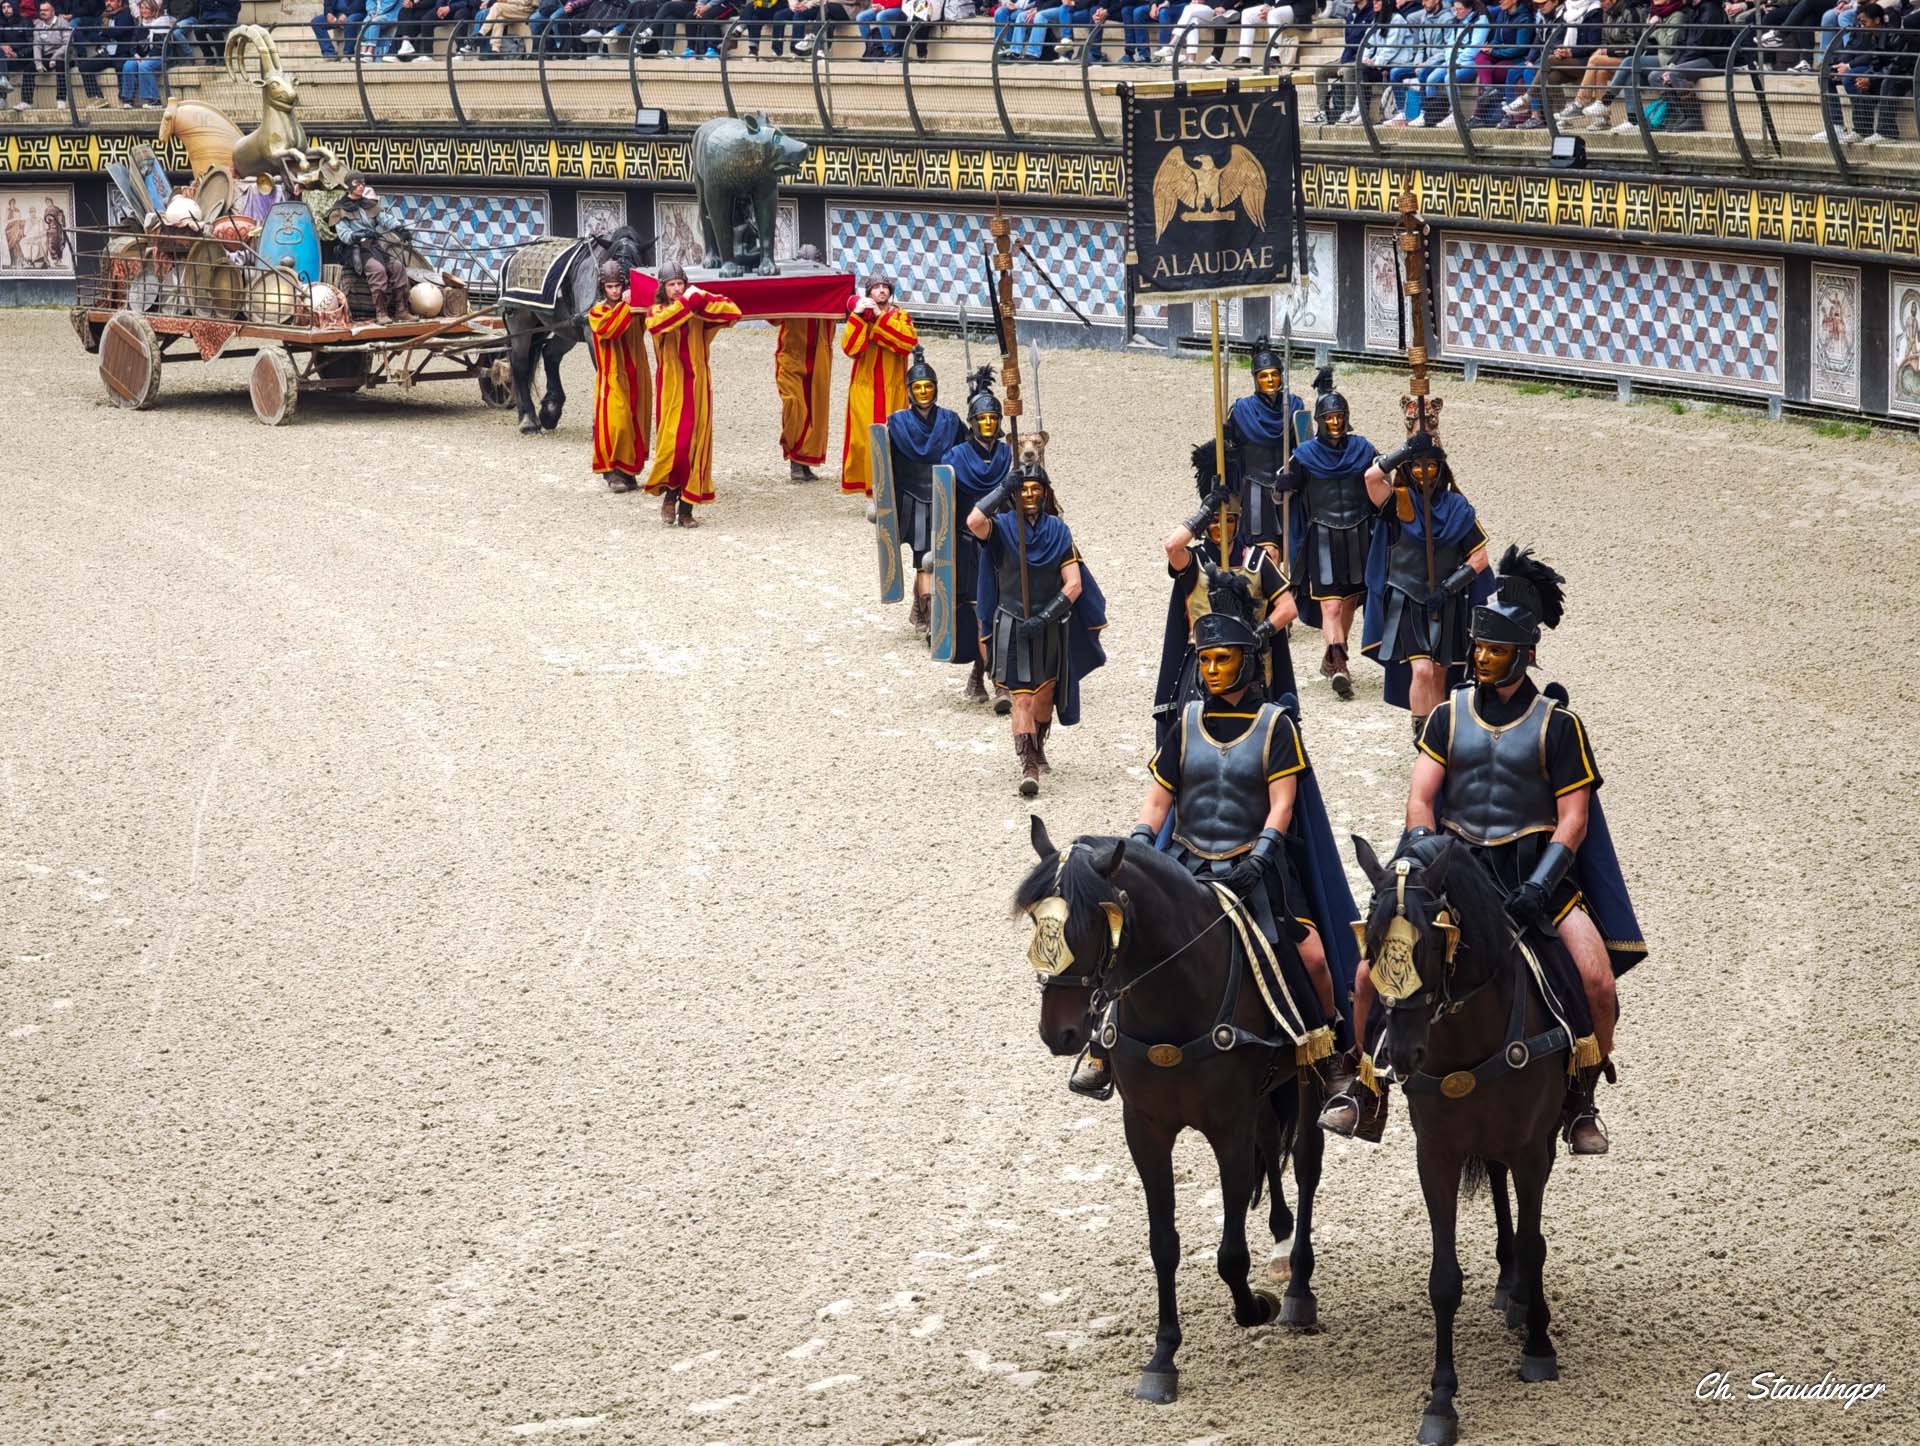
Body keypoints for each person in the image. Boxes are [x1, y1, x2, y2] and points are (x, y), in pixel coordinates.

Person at [1322, 546, 1644, 1153]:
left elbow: (1573, 821)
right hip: (1453, 872)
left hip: (1534, 877)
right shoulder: (1448, 716)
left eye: (1495, 649)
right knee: (1369, 971)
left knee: (1597, 982)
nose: (1481, 657)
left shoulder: (1560, 726)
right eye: (1478, 647)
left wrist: (1541, 886)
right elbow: (1421, 799)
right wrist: (1423, 855)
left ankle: (1581, 1099)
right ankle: (1367, 1085)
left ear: (1524, 654)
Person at [1069, 574, 1358, 1099]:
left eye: (1222, 658)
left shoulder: (1276, 725)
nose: (1211, 668)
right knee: (1127, 939)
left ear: (1247, 662)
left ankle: (1332, 1053)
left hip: (1255, 867)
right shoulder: (1187, 722)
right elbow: (1159, 800)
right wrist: (1140, 842)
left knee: (1313, 958)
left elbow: (1283, 804)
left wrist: (1263, 855)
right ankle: (1102, 1043)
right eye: (1205, 660)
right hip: (1187, 864)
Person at [967, 461, 1107, 795]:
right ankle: (1028, 764)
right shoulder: (1001, 527)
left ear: (1045, 493)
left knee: (1044, 699)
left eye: (1035, 489)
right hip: (1012, 624)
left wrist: (1045, 618)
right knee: (1023, 700)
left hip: (1049, 625)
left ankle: (1038, 745)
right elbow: (974, 521)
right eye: (1023, 489)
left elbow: (1073, 584)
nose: (1029, 495)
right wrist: (1002, 488)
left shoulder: (1059, 531)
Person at [1153, 440, 1299, 753]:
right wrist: (1205, 511)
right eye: (1215, 522)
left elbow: (1288, 608)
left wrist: (1261, 632)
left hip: (1252, 663)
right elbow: (1172, 546)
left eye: (1228, 520)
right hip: (1204, 661)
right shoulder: (1194, 561)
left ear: (1238, 522)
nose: (1221, 526)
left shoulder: (1256, 560)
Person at [1359, 428, 1491, 738]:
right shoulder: (1399, 501)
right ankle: (1421, 734)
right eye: (1417, 465)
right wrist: (1405, 450)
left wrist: (1449, 587)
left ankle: (1438, 734)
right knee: (1421, 670)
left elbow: (1479, 559)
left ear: (1440, 468)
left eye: (1430, 465)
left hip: (1446, 601)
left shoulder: (1458, 508)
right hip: (1406, 600)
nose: (1423, 471)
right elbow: (1370, 478)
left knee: (1441, 673)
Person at [1275, 366, 1376, 699]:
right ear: (1319, 421)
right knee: (1330, 607)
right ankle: (1340, 665)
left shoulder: (1363, 449)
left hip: (1358, 538)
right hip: (1322, 540)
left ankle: (1333, 654)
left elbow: (1382, 479)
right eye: (1329, 417)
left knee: (1348, 605)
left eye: (1339, 417)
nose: (1334, 422)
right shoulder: (1304, 456)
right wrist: (1283, 485)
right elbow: (1280, 496)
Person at [642, 262, 743, 526]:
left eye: (680, 284)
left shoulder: (698, 311)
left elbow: (733, 312)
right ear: (663, 288)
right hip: (672, 387)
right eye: (671, 285)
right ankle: (670, 493)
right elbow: (660, 324)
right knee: (675, 445)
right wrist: (690, 302)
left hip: (698, 386)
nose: (677, 288)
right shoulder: (656, 311)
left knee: (697, 445)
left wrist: (703, 297)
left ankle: (686, 509)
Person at [943, 370, 1014, 707]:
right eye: (982, 419)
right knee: (981, 614)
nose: (988, 424)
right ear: (972, 422)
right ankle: (992, 678)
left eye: (993, 419)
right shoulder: (955, 458)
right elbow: (946, 506)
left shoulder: (1009, 455)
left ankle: (985, 675)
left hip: (1003, 544)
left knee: (1005, 610)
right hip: (969, 547)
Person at [885, 347, 965, 636]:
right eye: (917, 387)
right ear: (909, 391)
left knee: (945, 556)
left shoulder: (951, 421)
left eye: (928, 386)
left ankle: (921, 605)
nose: (923, 392)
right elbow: (887, 466)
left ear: (936, 389)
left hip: (945, 495)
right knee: (924, 558)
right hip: (913, 500)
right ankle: (932, 616)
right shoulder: (896, 424)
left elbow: (966, 452)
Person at [1223, 336, 1309, 555]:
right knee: (1263, 555)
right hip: (1256, 489)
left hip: (1289, 489)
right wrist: (1226, 439)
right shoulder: (1241, 411)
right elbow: (1230, 456)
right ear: (1256, 379)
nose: (1270, 380)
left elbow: (1308, 450)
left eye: (1274, 374)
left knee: (1293, 551)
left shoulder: (1296, 406)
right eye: (1263, 376)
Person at [838, 274, 918, 503]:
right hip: (865, 389)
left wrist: (879, 319)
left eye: (885, 287)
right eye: (876, 287)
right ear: (869, 293)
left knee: (894, 439)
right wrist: (857, 316)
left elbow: (907, 342)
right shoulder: (861, 316)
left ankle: (892, 490)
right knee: (864, 440)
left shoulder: (901, 316)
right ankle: (873, 492)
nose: (881, 290)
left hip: (894, 388)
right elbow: (850, 348)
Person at [586, 259, 650, 494]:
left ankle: (628, 470)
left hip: (637, 373)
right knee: (617, 422)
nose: (614, 291)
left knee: (636, 422)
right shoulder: (597, 312)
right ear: (603, 287)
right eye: (610, 287)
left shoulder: (633, 308)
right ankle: (611, 471)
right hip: (612, 377)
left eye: (618, 286)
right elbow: (611, 329)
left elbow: (649, 320)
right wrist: (627, 306)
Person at [774, 246, 833, 484]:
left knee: (816, 412)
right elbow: (773, 317)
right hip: (792, 357)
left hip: (819, 359)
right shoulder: (790, 289)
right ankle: (794, 458)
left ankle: (804, 462)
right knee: (794, 406)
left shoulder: (829, 290)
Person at [328, 173, 415, 324]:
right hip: (355, 251)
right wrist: (358, 235)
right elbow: (344, 234)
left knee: (398, 267)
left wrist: (400, 229)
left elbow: (386, 219)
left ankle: (401, 311)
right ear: (349, 185)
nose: (361, 186)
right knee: (378, 270)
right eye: (357, 183)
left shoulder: (369, 205)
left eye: (363, 183)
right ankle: (381, 313)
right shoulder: (340, 209)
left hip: (375, 248)